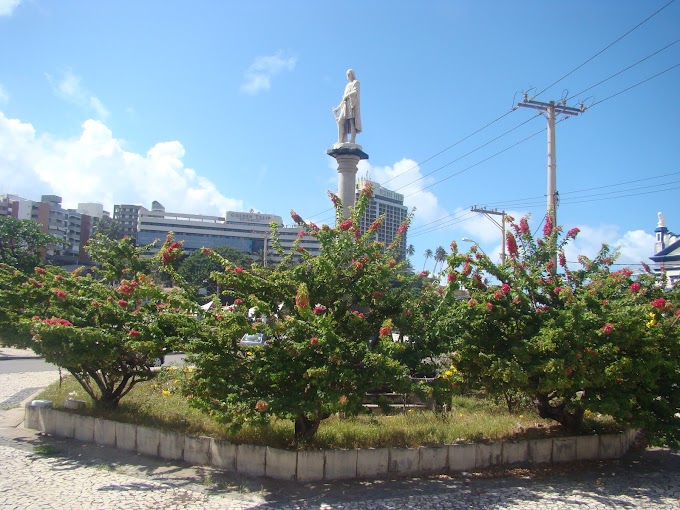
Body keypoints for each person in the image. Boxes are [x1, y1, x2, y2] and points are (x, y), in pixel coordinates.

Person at [333, 69, 362, 144]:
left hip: (351, 105)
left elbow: (355, 92)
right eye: (347, 75)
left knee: (352, 122)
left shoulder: (356, 82)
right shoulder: (347, 85)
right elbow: (343, 100)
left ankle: (352, 140)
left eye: (349, 74)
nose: (348, 76)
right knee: (340, 122)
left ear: (352, 74)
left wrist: (347, 95)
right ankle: (340, 140)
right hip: (345, 106)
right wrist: (338, 108)